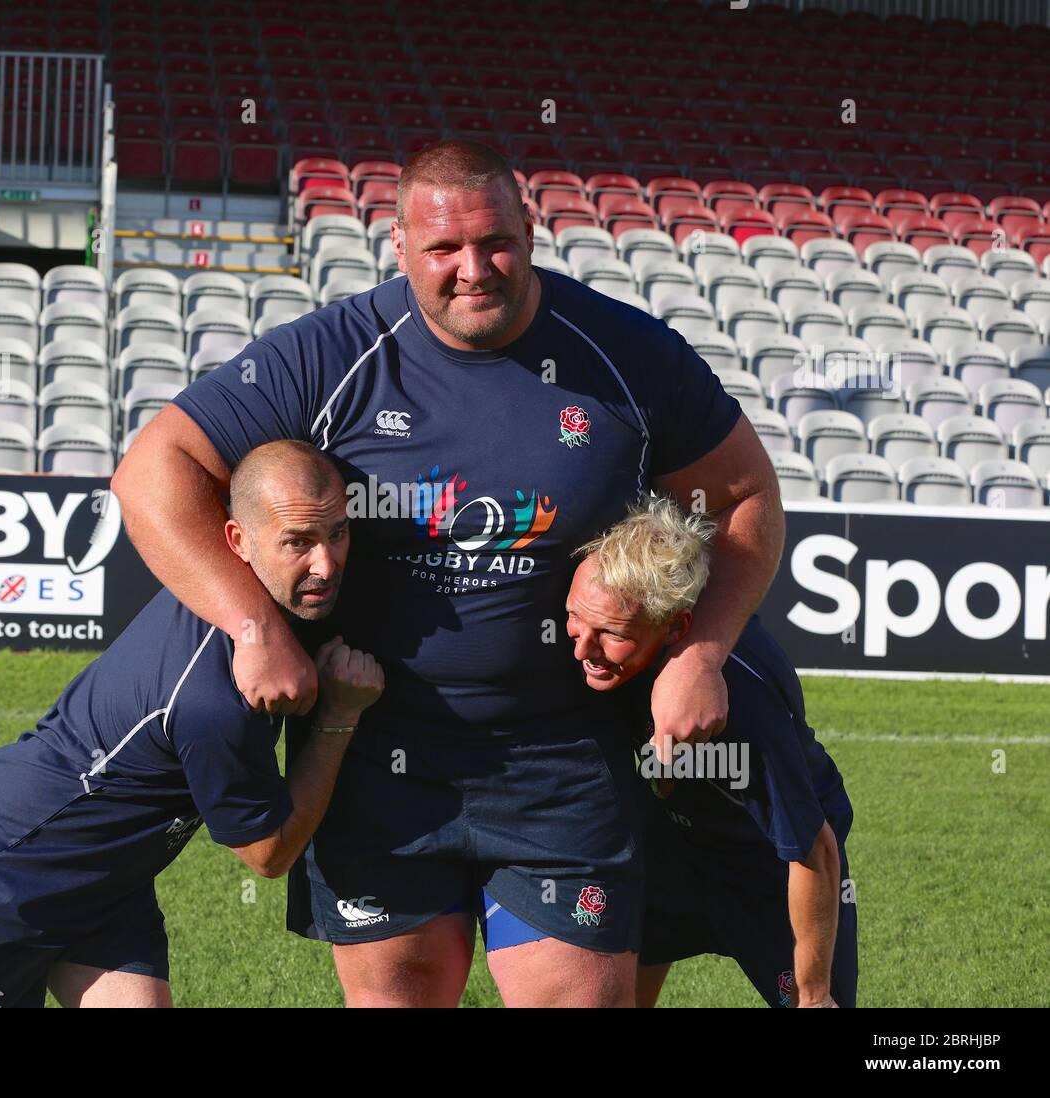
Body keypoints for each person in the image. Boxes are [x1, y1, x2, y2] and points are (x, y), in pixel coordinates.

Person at [110, 139, 784, 1007]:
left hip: (563, 762)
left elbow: (745, 495)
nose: (474, 269)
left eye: (495, 241)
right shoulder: (331, 356)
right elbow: (152, 469)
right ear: (400, 248)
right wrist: (253, 626)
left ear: (530, 230)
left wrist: (701, 654)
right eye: (443, 250)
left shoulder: (624, 355)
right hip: (375, 758)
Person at [0, 441, 383, 1008]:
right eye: (298, 542)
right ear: (238, 542)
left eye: (336, 534)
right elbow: (269, 854)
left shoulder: (224, 591)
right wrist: (339, 716)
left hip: (104, 882)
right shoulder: (212, 699)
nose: (326, 563)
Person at [563, 495, 857, 1008]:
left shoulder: (742, 705)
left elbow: (815, 849)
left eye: (611, 635)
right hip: (671, 850)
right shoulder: (607, 645)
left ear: (676, 628)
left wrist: (814, 996)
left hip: (767, 867)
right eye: (574, 621)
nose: (581, 649)